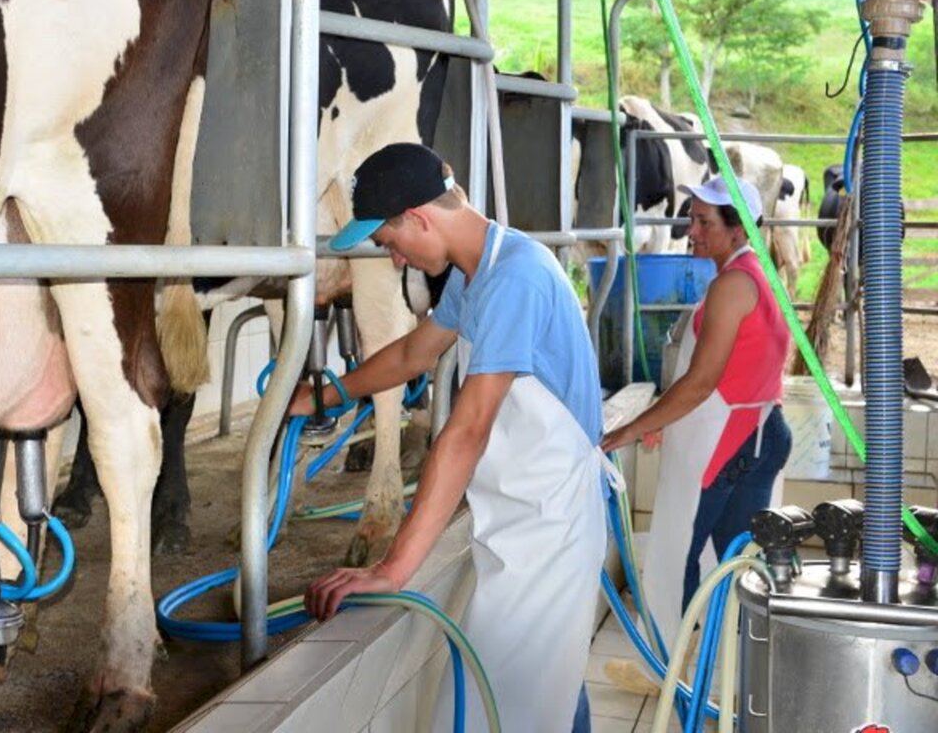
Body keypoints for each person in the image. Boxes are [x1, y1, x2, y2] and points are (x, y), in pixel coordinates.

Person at [292, 142, 607, 732]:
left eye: (389, 243)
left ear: (417, 218)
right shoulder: (481, 269)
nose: (395, 261)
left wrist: (393, 569)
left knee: (508, 707)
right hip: (517, 517)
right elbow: (415, 353)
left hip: (549, 528)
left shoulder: (516, 278)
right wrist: (324, 394)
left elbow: (465, 433)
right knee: (543, 697)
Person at [601, 176, 793, 657]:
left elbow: (701, 381)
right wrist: (668, 419)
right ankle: (731, 673)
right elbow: (747, 371)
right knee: (736, 564)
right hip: (760, 434)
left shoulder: (732, 284)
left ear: (738, 229)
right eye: (691, 218)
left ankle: (671, 670)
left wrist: (631, 428)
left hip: (727, 445)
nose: (691, 231)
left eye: (704, 221)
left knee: (680, 555)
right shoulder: (760, 275)